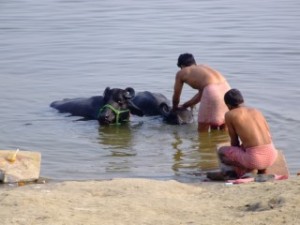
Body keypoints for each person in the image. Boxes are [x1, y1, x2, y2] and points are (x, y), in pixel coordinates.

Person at [217, 89, 278, 178]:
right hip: (272, 155)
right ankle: (262, 171)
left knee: (221, 151)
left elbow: (234, 142)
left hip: (254, 160)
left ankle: (238, 172)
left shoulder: (230, 114)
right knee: (251, 147)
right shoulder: (256, 111)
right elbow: (269, 134)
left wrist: (236, 156)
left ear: (228, 105)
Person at [172, 53, 231, 132]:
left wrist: (175, 108)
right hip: (227, 88)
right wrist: (185, 105)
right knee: (223, 123)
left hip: (212, 91)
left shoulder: (182, 73)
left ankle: (204, 143)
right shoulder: (204, 67)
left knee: (203, 127)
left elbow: (176, 96)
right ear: (194, 63)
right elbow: (202, 94)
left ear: (182, 66)